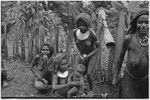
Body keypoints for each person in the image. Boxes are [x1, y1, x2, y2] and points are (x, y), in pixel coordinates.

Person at [112, 9, 149, 98]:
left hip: (146, 82)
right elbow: (120, 58)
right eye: (140, 22)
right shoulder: (129, 39)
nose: (143, 25)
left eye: (147, 22)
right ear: (135, 24)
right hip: (129, 80)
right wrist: (115, 76)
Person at [72, 13, 100, 97]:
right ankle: (80, 89)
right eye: (79, 25)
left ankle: (91, 89)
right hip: (82, 54)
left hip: (92, 54)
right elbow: (76, 42)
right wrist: (80, 53)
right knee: (79, 72)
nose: (81, 27)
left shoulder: (92, 34)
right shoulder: (75, 32)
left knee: (89, 74)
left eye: (84, 25)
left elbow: (97, 48)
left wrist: (87, 56)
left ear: (87, 25)